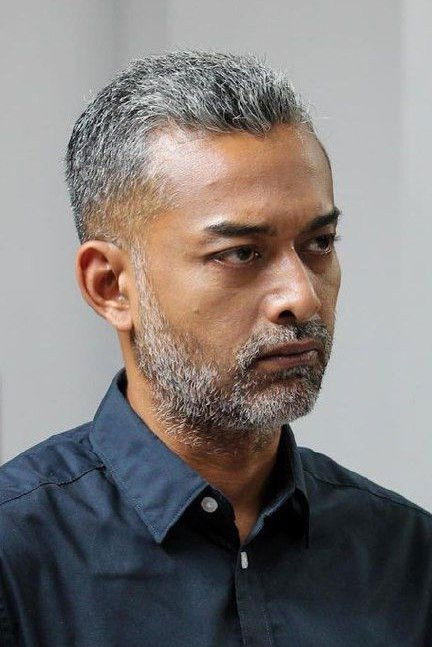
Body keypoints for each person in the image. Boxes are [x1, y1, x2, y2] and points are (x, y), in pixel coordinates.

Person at [0, 51, 430, 647]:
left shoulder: (408, 559)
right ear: (111, 286)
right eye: (241, 253)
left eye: (320, 243)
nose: (301, 297)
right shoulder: (17, 557)